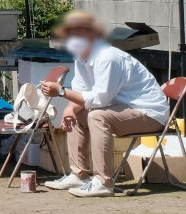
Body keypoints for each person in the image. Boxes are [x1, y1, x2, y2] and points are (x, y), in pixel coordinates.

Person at [41, 11, 171, 198]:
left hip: (150, 113)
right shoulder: (82, 58)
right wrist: (69, 110)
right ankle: (79, 175)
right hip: (122, 109)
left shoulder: (108, 58)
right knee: (77, 114)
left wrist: (61, 91)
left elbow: (99, 100)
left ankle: (103, 182)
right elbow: (81, 92)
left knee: (96, 115)